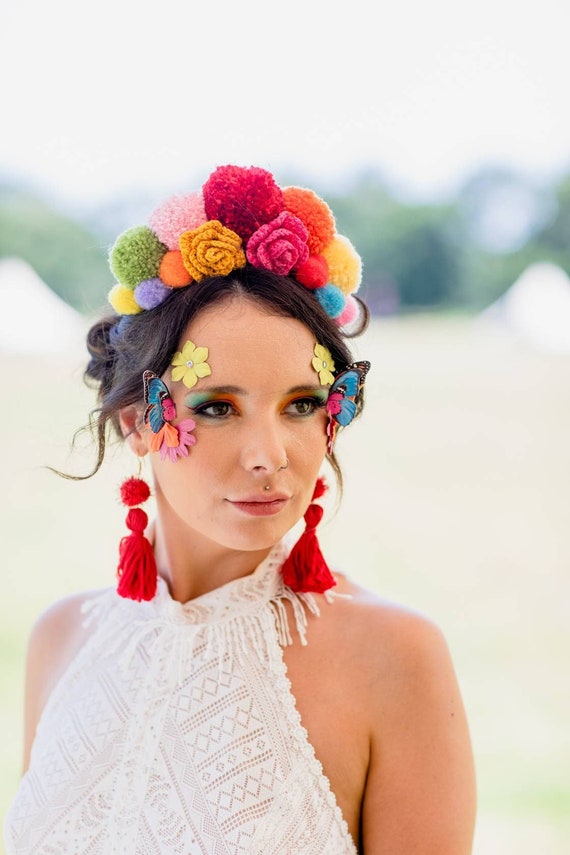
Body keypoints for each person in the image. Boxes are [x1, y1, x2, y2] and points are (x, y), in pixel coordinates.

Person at [4, 165, 476, 854]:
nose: (269, 454)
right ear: (138, 420)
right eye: (218, 406)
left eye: (301, 404)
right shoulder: (60, 639)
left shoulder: (397, 659)